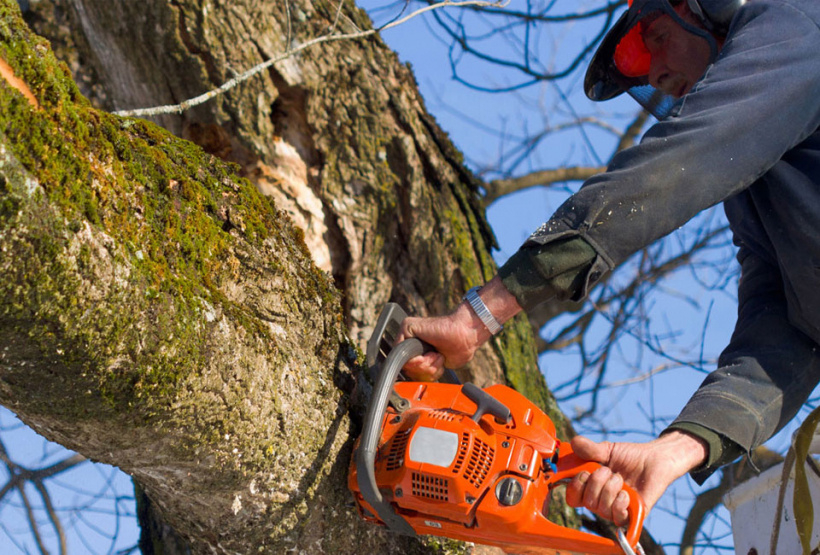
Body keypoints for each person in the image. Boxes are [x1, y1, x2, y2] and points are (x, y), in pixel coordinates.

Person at [398, 0, 820, 527]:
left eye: (658, 38)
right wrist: (674, 451)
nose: (659, 75)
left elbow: (683, 161)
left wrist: (479, 315)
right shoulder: (765, 180)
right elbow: (788, 332)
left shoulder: (798, 24)